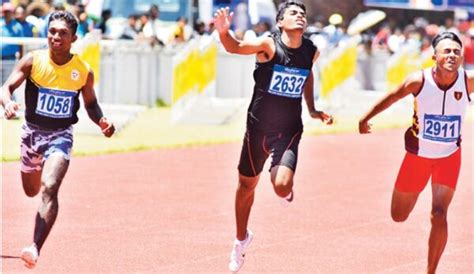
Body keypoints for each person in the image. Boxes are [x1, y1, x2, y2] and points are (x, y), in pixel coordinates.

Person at [214, 2, 333, 272]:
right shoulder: (268, 45)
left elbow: (307, 74)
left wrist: (312, 108)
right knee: (246, 187)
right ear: (280, 22)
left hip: (288, 129)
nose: (300, 16)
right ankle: (241, 240)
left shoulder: (311, 50)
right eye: (293, 13)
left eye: (303, 13)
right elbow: (235, 47)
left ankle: (285, 188)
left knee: (280, 186)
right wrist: (223, 32)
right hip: (257, 129)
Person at [1, 10, 115, 269]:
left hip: (60, 136)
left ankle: (34, 247)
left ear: (74, 38)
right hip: (31, 134)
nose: (56, 37)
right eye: (52, 31)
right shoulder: (33, 60)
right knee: (31, 190)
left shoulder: (83, 71)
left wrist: (102, 122)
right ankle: (39, 165)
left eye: (63, 33)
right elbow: (6, 88)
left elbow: (91, 104)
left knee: (50, 186)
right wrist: (8, 104)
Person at [359, 32, 473, 274]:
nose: (452, 55)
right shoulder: (417, 81)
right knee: (398, 215)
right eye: (447, 51)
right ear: (434, 56)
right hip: (417, 157)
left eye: (456, 51)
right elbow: (390, 98)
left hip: (449, 157)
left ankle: (431, 271)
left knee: (439, 213)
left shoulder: (468, 81)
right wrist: (365, 118)